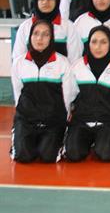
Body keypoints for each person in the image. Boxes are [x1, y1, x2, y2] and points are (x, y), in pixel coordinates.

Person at [10, 19, 71, 163]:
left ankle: (57, 136)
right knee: (23, 156)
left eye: (45, 34)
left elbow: (68, 95)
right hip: (27, 119)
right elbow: (18, 93)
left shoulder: (62, 63)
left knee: (48, 156)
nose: (40, 38)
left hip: (53, 120)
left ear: (51, 38)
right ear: (30, 36)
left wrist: (64, 116)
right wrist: (23, 115)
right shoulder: (19, 63)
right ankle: (19, 132)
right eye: (36, 33)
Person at [64, 26, 110, 162]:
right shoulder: (77, 66)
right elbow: (69, 96)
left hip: (108, 122)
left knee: (105, 155)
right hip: (81, 121)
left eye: (103, 42)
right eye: (94, 42)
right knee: (73, 155)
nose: (98, 47)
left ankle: (107, 139)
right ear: (88, 44)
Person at [13, 0, 82, 63]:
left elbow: (74, 60)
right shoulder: (25, 27)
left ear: (57, 1)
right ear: (36, 2)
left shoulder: (68, 27)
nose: (46, 2)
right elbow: (18, 59)